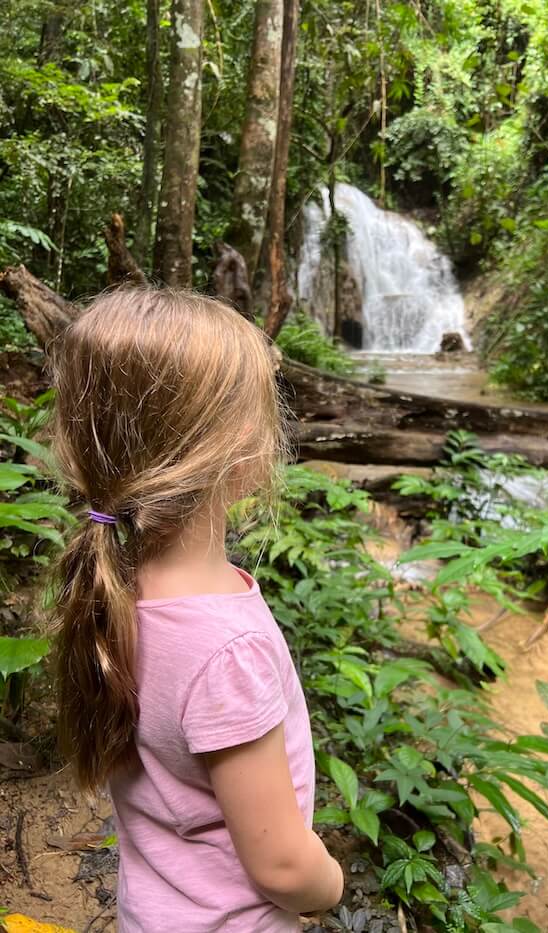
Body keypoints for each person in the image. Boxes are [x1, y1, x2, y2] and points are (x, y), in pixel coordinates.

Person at [51, 288, 344, 932]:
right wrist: (331, 882)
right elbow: (283, 869)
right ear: (241, 448)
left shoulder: (117, 594)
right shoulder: (225, 650)